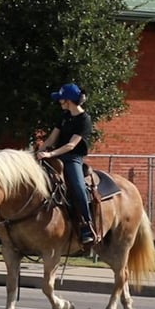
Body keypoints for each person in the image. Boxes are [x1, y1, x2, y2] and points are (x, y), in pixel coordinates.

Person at [36, 82, 95, 245]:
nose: (59, 103)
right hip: (55, 156)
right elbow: (51, 139)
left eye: (61, 100)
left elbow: (71, 145)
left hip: (72, 158)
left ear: (68, 101)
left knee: (77, 186)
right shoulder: (64, 117)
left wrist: (50, 153)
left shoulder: (85, 120)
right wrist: (39, 152)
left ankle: (86, 225)